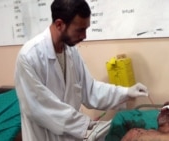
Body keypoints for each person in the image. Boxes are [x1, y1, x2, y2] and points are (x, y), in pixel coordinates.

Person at [14, 0, 148, 141]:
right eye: (80, 30)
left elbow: (90, 90)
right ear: (59, 24)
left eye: (86, 29)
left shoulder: (71, 52)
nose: (84, 36)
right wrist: (87, 127)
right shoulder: (29, 56)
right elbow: (41, 108)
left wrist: (126, 92)